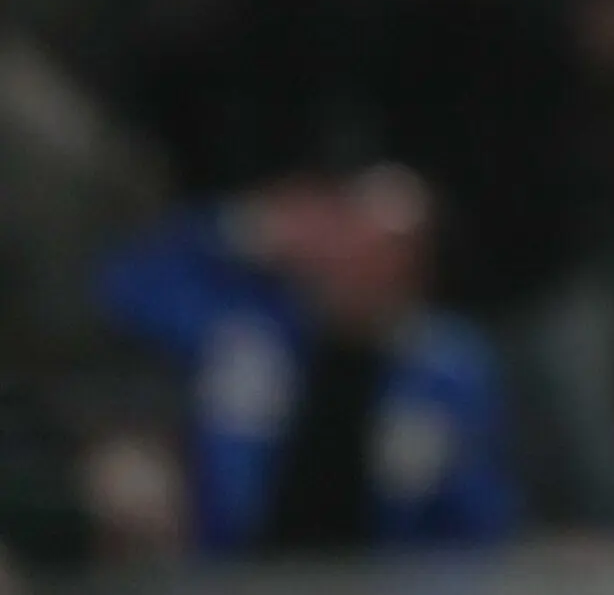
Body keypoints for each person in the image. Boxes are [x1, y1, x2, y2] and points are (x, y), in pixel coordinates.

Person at [94, 169, 515, 555]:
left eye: (389, 249)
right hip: (240, 573)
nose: (361, 260)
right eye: (353, 236)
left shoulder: (448, 370)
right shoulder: (252, 335)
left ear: (420, 266)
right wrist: (243, 225)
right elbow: (127, 289)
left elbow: (480, 523)